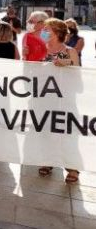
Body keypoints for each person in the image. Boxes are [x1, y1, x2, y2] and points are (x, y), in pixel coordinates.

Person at [37, 18, 80, 184]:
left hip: (65, 101)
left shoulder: (68, 51)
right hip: (44, 99)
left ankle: (72, 168)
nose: (43, 32)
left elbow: (79, 79)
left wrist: (66, 63)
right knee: (46, 133)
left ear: (57, 33)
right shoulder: (41, 49)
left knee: (67, 135)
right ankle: (49, 161)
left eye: (47, 29)